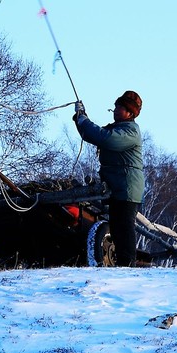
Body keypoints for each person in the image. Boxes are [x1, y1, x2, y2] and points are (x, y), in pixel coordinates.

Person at [73, 90, 145, 267]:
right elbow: (91, 134)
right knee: (117, 227)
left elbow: (104, 138)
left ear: (130, 112)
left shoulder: (130, 131)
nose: (115, 109)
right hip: (117, 188)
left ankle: (128, 265)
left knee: (124, 228)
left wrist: (84, 120)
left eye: (120, 107)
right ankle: (123, 265)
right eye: (115, 106)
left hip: (127, 188)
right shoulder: (117, 129)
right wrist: (80, 118)